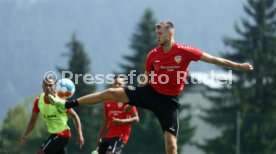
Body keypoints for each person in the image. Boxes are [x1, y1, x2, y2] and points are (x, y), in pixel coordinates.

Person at [49, 20, 253, 154]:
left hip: (169, 102)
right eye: (156, 33)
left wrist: (239, 66)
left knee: (171, 145)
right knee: (111, 93)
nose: (157, 36)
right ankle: (69, 103)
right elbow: (147, 77)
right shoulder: (153, 54)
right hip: (150, 92)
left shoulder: (186, 51)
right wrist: (134, 96)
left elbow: (214, 60)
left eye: (160, 33)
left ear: (170, 33)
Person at [19, 77, 85, 154]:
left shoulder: (61, 101)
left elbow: (75, 116)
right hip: (53, 136)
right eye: (46, 85)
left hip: (62, 135)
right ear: (42, 86)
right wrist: (25, 133)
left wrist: (80, 134)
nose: (48, 88)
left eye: (50, 85)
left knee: (41, 153)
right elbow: (33, 120)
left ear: (54, 87)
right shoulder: (38, 101)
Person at [96, 76, 139, 154]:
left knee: (110, 153)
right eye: (115, 83)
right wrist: (100, 135)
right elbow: (106, 120)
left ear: (124, 85)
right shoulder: (107, 100)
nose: (116, 86)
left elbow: (136, 119)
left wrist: (121, 121)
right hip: (108, 135)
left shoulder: (127, 100)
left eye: (119, 84)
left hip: (120, 136)